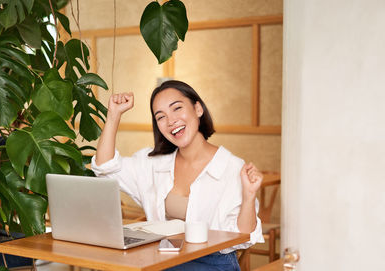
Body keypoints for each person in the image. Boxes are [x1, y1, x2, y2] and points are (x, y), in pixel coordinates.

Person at [91, 80, 265, 270]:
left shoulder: (231, 167)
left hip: (212, 263)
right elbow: (104, 166)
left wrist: (249, 196)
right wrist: (114, 115)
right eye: (161, 117)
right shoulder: (152, 163)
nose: (171, 121)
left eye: (177, 108)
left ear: (198, 109)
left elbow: (243, 236)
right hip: (162, 259)